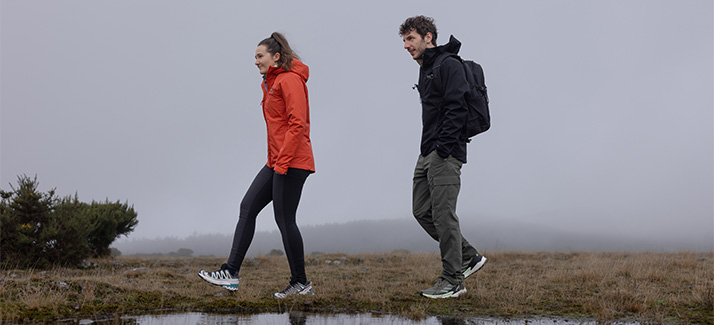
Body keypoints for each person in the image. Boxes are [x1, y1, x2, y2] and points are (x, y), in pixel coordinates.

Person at [198, 32, 315, 298]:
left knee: (285, 220)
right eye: (254, 57)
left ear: (276, 57)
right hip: (276, 161)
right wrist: (275, 162)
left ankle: (301, 283)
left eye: (259, 56)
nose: (255, 61)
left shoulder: (290, 80)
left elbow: (297, 124)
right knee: (247, 206)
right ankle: (230, 274)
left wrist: (282, 164)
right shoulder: (271, 83)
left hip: (293, 162)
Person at [399, 16, 487, 299]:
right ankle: (469, 256)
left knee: (443, 215)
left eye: (411, 38)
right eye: (404, 40)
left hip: (445, 152)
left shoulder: (448, 64)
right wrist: (430, 149)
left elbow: (457, 107)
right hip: (427, 151)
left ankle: (453, 280)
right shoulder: (426, 69)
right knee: (421, 210)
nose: (406, 45)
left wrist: (444, 148)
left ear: (428, 37)